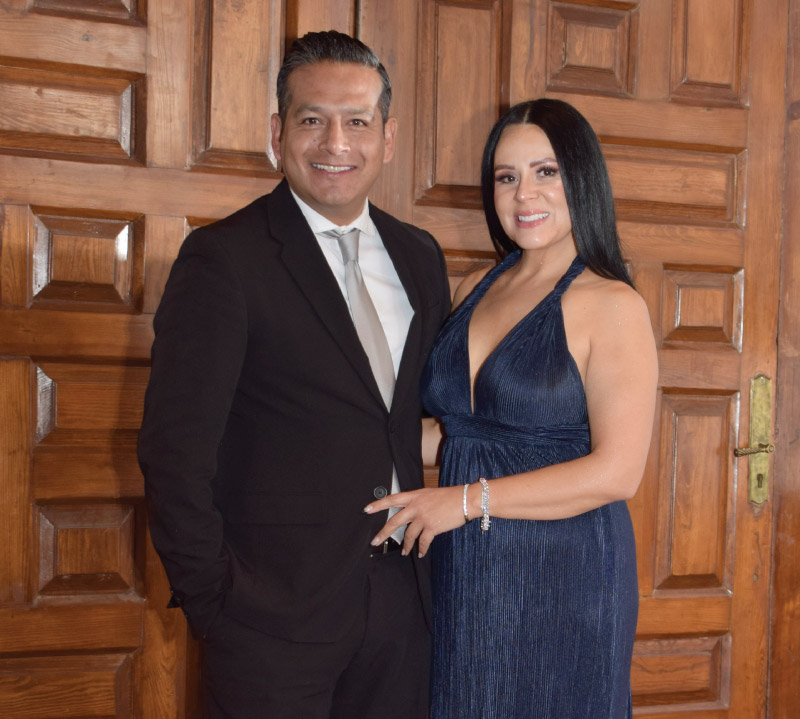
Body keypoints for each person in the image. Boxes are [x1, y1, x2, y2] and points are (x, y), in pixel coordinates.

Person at [138, 30, 451, 719]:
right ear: (278, 134)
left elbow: (407, 419)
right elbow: (173, 451)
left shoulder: (420, 257)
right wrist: (215, 600)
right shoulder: (223, 259)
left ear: (388, 138)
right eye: (313, 119)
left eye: (357, 122)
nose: (335, 143)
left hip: (403, 612)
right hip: (269, 621)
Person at [365, 98, 658, 718]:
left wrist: (463, 502)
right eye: (507, 176)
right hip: (464, 564)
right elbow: (460, 435)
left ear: (581, 178)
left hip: (565, 572)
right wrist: (345, 435)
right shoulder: (476, 288)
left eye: (546, 172)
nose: (525, 194)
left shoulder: (612, 304)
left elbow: (617, 473)